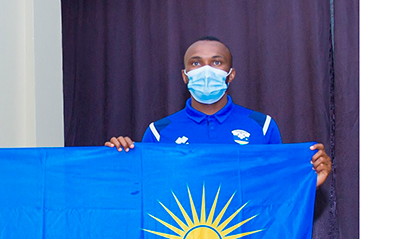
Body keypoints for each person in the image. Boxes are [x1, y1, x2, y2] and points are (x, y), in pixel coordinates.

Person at [105, 36, 332, 187]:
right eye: (196, 63)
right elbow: (143, 190)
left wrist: (309, 181)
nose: (206, 70)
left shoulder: (261, 126)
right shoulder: (158, 131)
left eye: (216, 62)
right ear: (184, 75)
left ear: (230, 74)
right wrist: (118, 160)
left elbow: (275, 188)